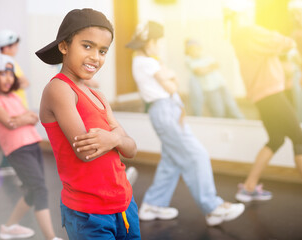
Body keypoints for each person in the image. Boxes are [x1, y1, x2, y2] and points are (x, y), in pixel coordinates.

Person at [126, 21, 245, 226]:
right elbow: (172, 85)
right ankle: (213, 208)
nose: (159, 45)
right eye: (157, 41)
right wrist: (170, 78)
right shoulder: (146, 62)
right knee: (197, 155)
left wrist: (171, 81)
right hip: (164, 110)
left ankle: (153, 204)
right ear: (149, 42)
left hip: (167, 110)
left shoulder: (148, 60)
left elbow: (172, 82)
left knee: (171, 162)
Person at [36, 8, 141, 239]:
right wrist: (116, 138)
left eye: (102, 51)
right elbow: (87, 150)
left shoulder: (99, 96)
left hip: (124, 204)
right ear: (64, 46)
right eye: (87, 46)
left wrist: (113, 138)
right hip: (88, 213)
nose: (96, 56)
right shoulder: (59, 89)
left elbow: (132, 148)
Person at [0, 54, 62, 240]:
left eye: (11, 74)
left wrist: (20, 119)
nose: (9, 78)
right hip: (16, 149)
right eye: (3, 74)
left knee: (32, 190)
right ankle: (51, 237)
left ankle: (8, 227)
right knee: (39, 188)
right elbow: (9, 123)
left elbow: (33, 117)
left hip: (32, 143)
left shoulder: (14, 96)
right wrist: (23, 118)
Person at [226, 4, 302, 202]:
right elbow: (284, 43)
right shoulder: (250, 32)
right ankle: (248, 187)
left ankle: (248, 187)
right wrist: (297, 27)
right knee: (299, 139)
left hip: (263, 98)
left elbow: (275, 54)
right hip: (272, 95)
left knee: (276, 140)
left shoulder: (239, 38)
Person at [0, 29, 30, 176]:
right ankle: (9, 165)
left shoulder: (10, 62)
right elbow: (17, 83)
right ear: (6, 47)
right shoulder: (5, 63)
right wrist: (19, 82)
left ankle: (7, 164)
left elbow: (24, 82)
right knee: (14, 137)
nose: (17, 49)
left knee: (14, 136)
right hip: (11, 106)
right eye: (15, 46)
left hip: (18, 104)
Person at [184, 38, 244, 119]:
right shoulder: (189, 60)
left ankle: (241, 121)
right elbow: (199, 71)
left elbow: (216, 65)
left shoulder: (206, 56)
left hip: (220, 84)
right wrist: (210, 67)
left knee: (231, 105)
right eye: (191, 49)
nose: (194, 51)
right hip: (209, 89)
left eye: (196, 48)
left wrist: (206, 69)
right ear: (188, 51)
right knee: (218, 110)